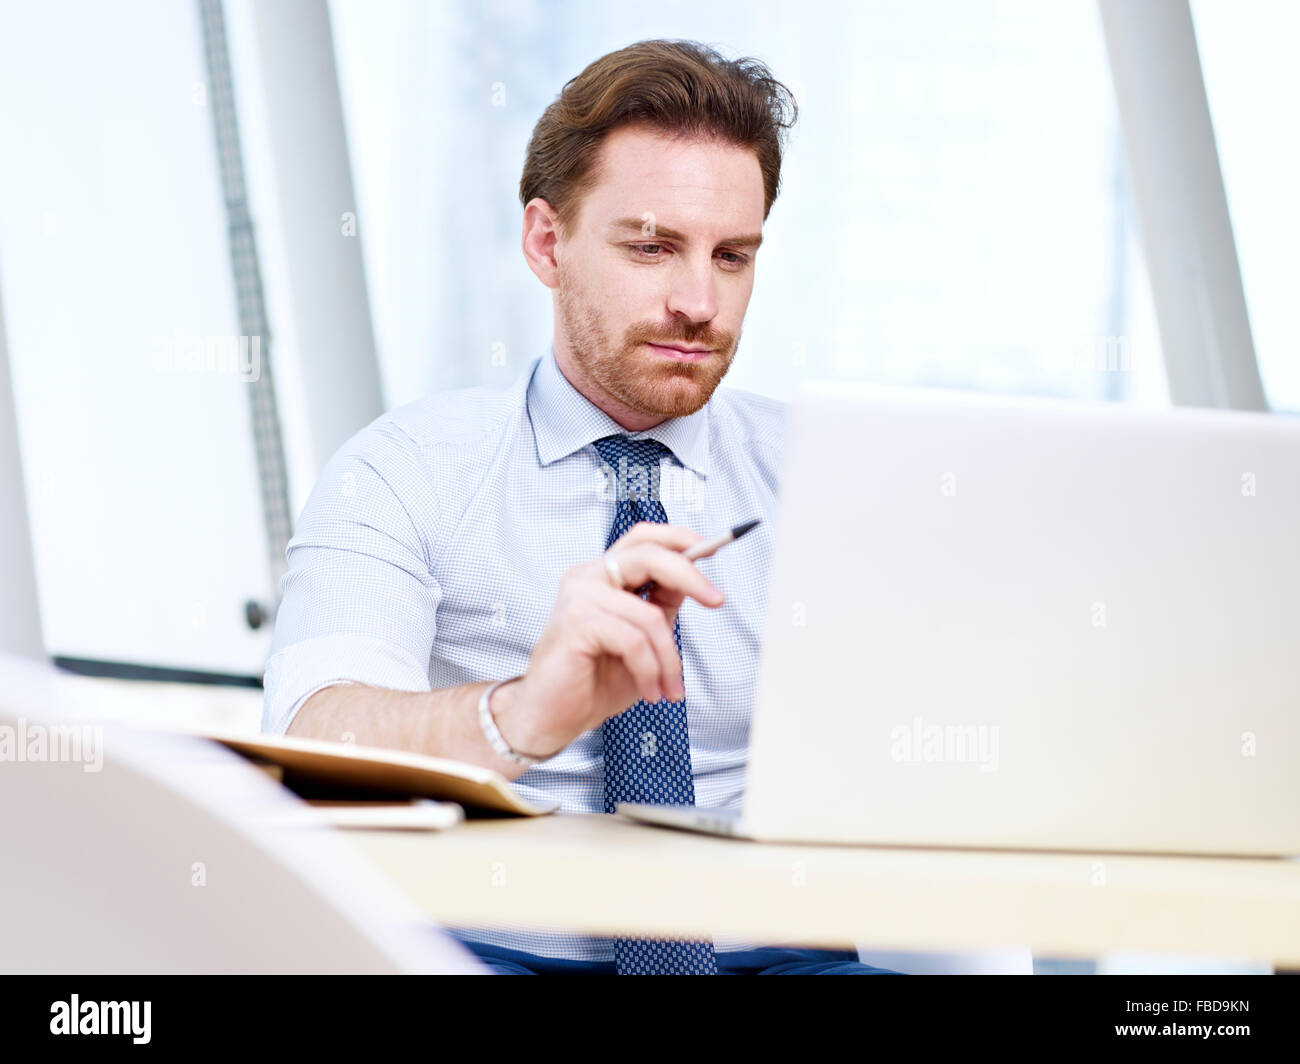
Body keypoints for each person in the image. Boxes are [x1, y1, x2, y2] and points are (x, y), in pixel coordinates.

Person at [263, 37, 898, 976]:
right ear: (546, 243)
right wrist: (521, 714)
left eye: (732, 257)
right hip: (483, 955)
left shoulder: (828, 481)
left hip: (777, 959)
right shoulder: (406, 469)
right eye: (652, 247)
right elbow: (314, 742)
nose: (699, 302)